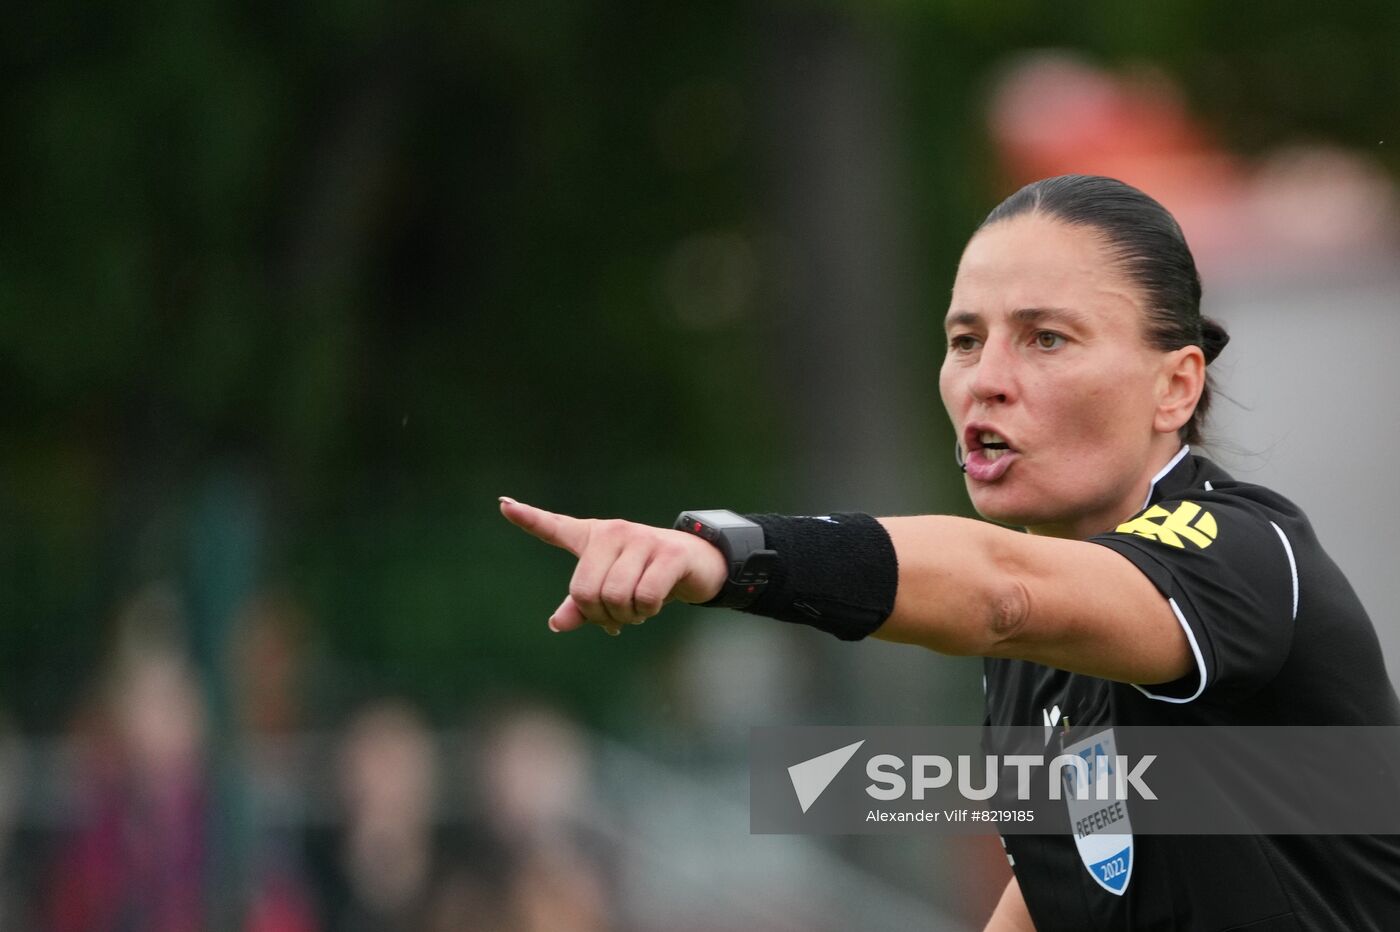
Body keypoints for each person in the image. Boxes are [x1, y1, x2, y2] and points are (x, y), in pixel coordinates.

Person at [499, 174, 1400, 930]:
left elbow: (1001, 591)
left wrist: (735, 555)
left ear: (1176, 386)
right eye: (965, 340)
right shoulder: (1031, 663)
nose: (986, 380)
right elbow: (1070, 880)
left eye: (1046, 339)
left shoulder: (1242, 552)